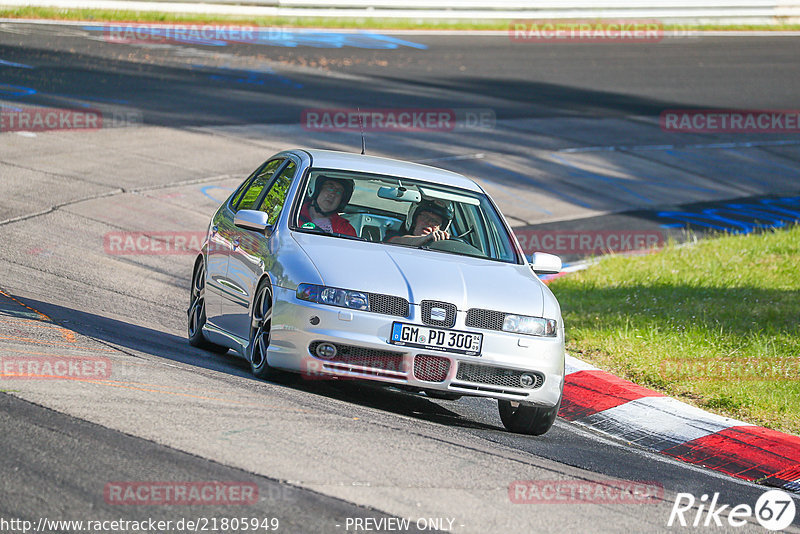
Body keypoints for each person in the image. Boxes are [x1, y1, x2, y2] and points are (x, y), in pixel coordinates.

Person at [387, 199, 453, 246]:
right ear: (414, 219)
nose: (429, 223)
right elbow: (396, 241)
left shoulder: (443, 248)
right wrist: (425, 238)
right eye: (425, 217)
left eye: (435, 222)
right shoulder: (396, 236)